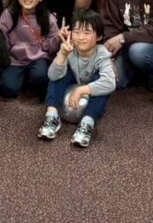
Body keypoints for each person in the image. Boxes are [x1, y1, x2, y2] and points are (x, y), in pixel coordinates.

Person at [37, 10, 115, 148]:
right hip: (71, 82)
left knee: (102, 85)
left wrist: (81, 90)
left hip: (90, 87)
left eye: (87, 32)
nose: (80, 37)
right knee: (60, 73)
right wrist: (63, 54)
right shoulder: (68, 48)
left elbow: (110, 83)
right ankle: (52, 116)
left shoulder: (102, 54)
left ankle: (87, 123)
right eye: (77, 32)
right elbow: (52, 76)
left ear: (98, 36)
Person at [0, 0, 60, 99]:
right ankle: (22, 79)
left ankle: (28, 79)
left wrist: (59, 38)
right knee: (8, 89)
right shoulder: (8, 14)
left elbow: (52, 49)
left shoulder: (48, 18)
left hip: (38, 59)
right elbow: (3, 46)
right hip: (15, 60)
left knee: (41, 77)